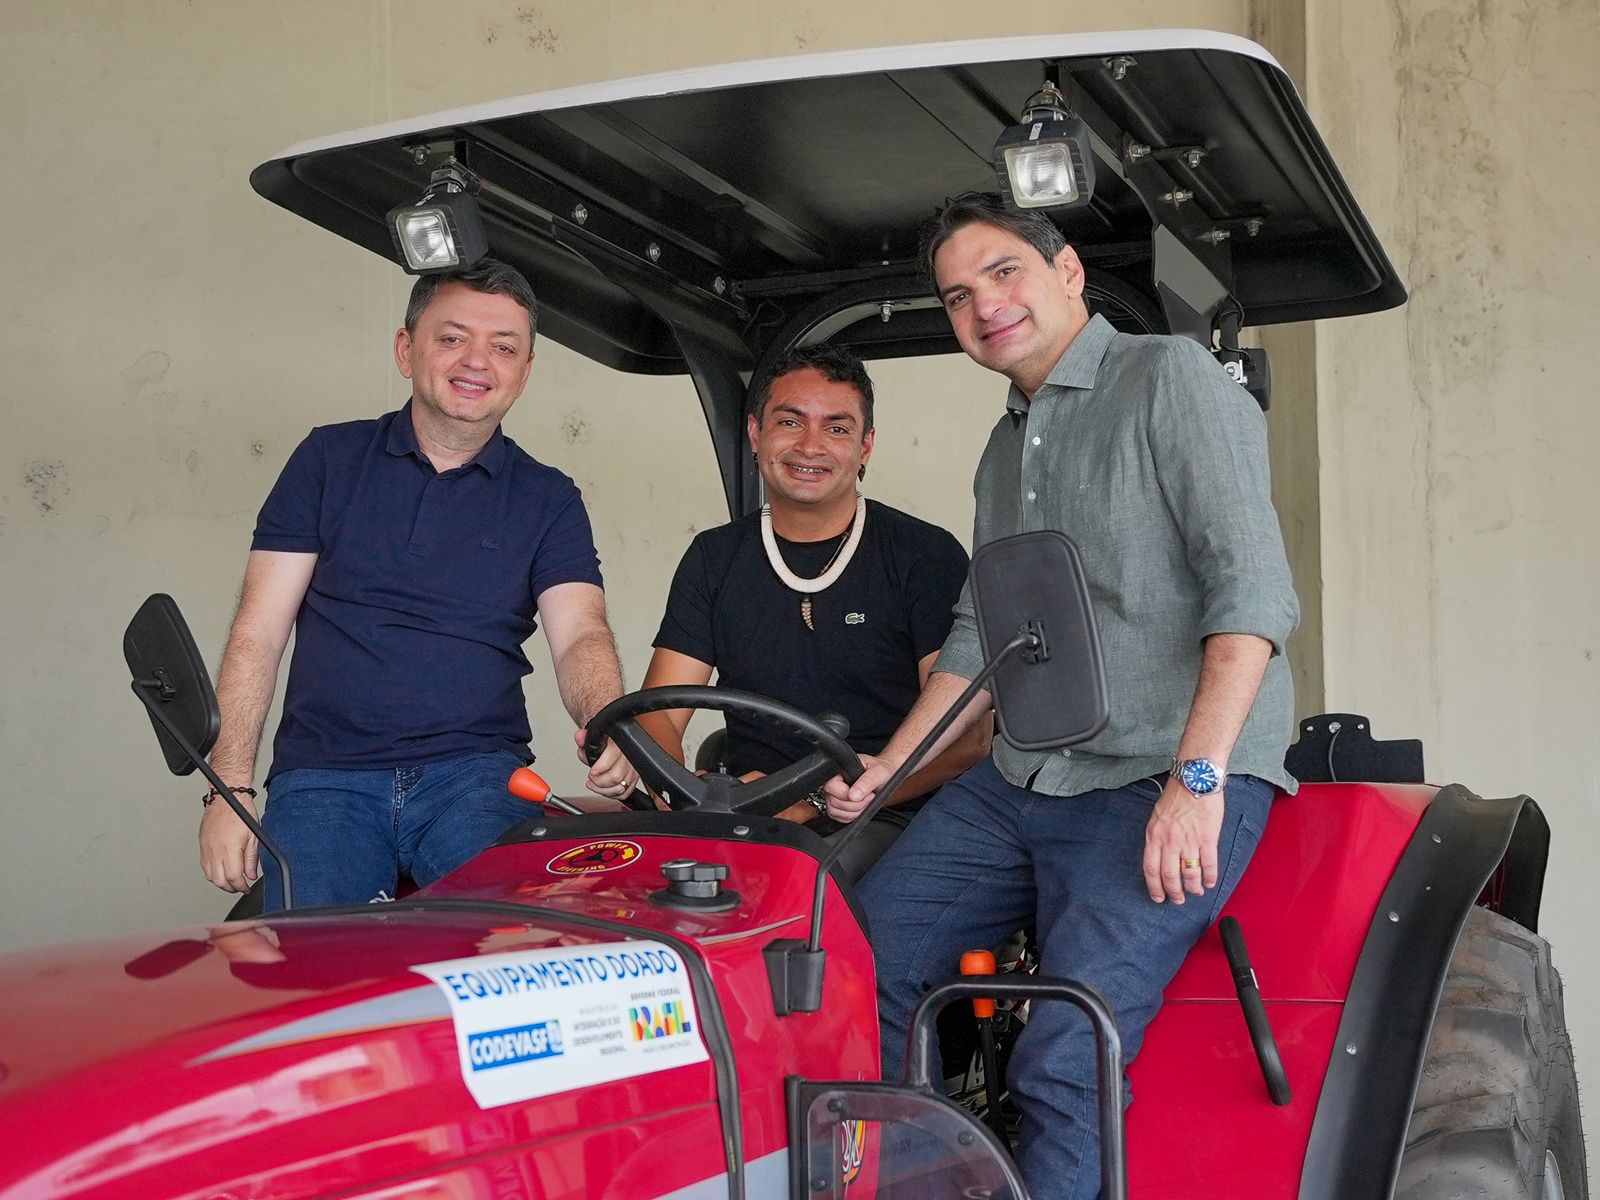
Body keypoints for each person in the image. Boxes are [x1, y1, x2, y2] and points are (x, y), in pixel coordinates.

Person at [828, 193, 1300, 1198]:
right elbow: (978, 633)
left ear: (1069, 271)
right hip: (1028, 776)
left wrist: (1197, 782)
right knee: (855, 964)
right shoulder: (1003, 449)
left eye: (1003, 272)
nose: (984, 305)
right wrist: (886, 772)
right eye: (958, 295)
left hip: (1160, 770)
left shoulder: (1168, 378)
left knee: (1065, 1048)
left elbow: (1252, 593)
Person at [199, 258, 638, 911]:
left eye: (503, 347)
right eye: (453, 337)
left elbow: (580, 633)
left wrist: (610, 724)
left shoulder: (550, 498)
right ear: (406, 350)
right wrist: (227, 790)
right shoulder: (326, 460)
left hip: (477, 778)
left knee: (511, 948)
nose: (477, 361)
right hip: (325, 779)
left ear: (524, 373)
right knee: (314, 963)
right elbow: (257, 632)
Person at [638, 345, 989, 882]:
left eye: (837, 428)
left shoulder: (923, 555)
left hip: (887, 809)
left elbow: (968, 740)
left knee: (798, 882)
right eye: (789, 421)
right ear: (755, 433)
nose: (810, 445)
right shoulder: (714, 557)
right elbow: (660, 712)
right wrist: (683, 790)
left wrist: (816, 802)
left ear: (866, 446)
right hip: (750, 808)